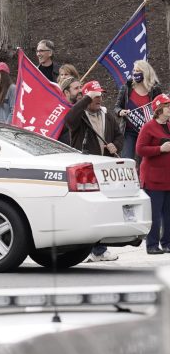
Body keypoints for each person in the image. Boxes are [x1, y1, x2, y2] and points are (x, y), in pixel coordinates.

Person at [64, 80, 123, 263]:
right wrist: (84, 99)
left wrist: (116, 145)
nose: (99, 99)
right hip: (85, 170)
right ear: (87, 97)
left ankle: (98, 250)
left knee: (101, 211)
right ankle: (87, 250)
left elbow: (119, 135)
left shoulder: (107, 115)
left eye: (100, 95)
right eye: (95, 96)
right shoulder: (80, 115)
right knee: (87, 210)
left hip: (104, 168)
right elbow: (69, 120)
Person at [135, 93, 170, 255]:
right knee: (155, 215)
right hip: (153, 179)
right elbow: (140, 149)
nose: (169, 109)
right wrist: (160, 149)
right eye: (167, 106)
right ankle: (152, 245)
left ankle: (167, 243)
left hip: (168, 178)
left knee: (168, 214)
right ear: (159, 109)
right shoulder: (148, 127)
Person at [114, 60, 162, 161]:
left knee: (144, 162)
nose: (135, 73)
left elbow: (161, 109)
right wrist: (120, 112)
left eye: (138, 70)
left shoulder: (155, 90)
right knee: (127, 160)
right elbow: (117, 107)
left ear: (146, 72)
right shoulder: (127, 87)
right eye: (134, 70)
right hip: (129, 131)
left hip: (147, 131)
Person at [57, 76, 83, 146]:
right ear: (66, 92)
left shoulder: (85, 109)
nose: (80, 90)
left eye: (81, 87)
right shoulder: (58, 113)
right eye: (76, 88)